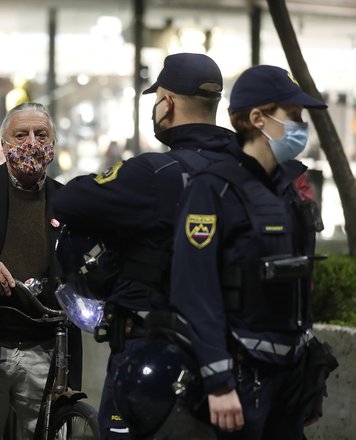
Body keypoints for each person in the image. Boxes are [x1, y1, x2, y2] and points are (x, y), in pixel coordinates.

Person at [52, 53, 234, 439]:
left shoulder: (155, 173)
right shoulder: (247, 170)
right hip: (236, 356)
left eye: (157, 100)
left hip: (157, 355)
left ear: (166, 103)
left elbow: (68, 202)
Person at [170, 65, 337, 439]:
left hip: (289, 380)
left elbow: (298, 283)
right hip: (242, 381)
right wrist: (219, 380)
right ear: (257, 118)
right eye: (292, 116)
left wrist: (309, 376)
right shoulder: (213, 189)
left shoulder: (288, 191)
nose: (300, 126)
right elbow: (194, 290)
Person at [0, 102, 81, 439]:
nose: (31, 143)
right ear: (4, 144)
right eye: (20, 135)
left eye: (42, 134)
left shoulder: (68, 202)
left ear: (53, 143)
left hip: (46, 353)